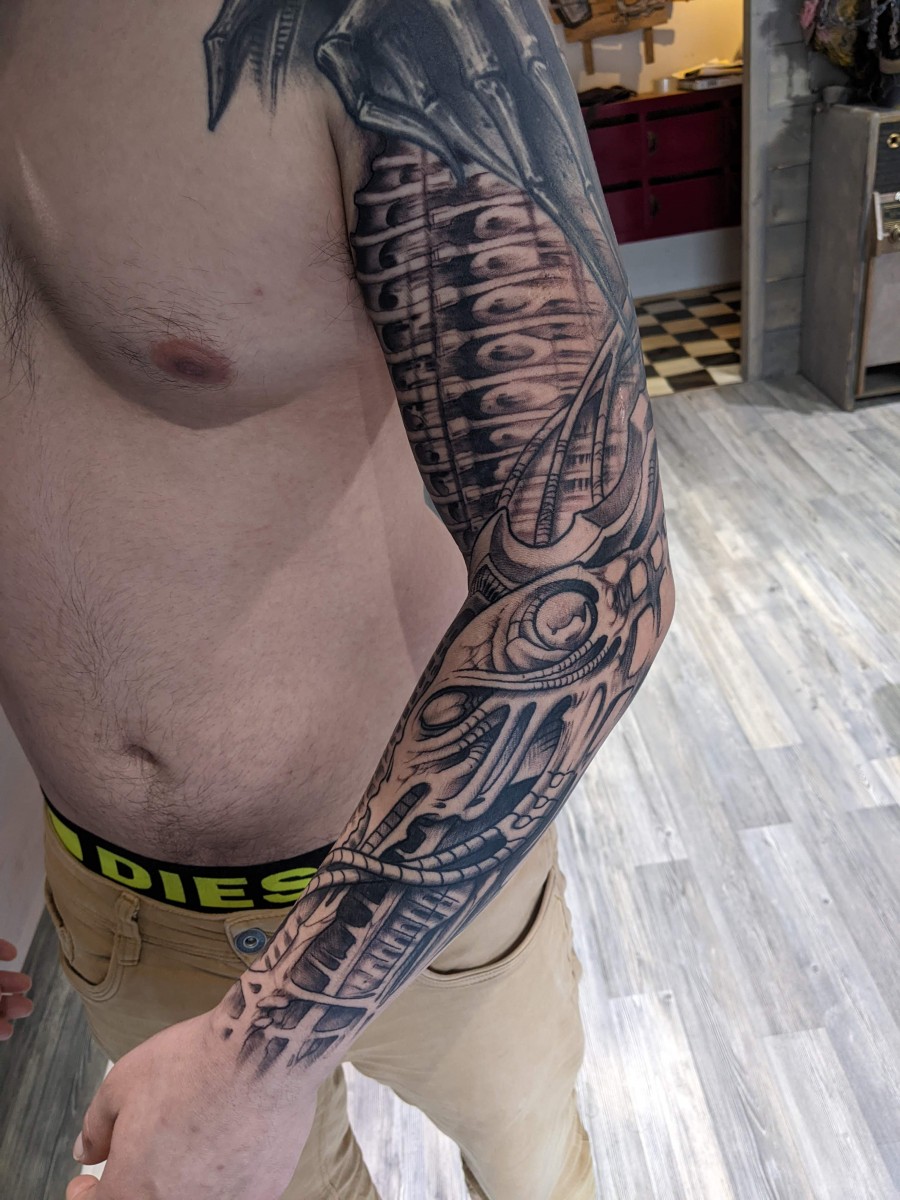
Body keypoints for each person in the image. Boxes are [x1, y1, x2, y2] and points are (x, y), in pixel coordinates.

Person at [0, 2, 676, 1197]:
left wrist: (264, 1050)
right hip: (116, 912)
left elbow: (593, 577)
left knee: (534, 1176)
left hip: (430, 895)